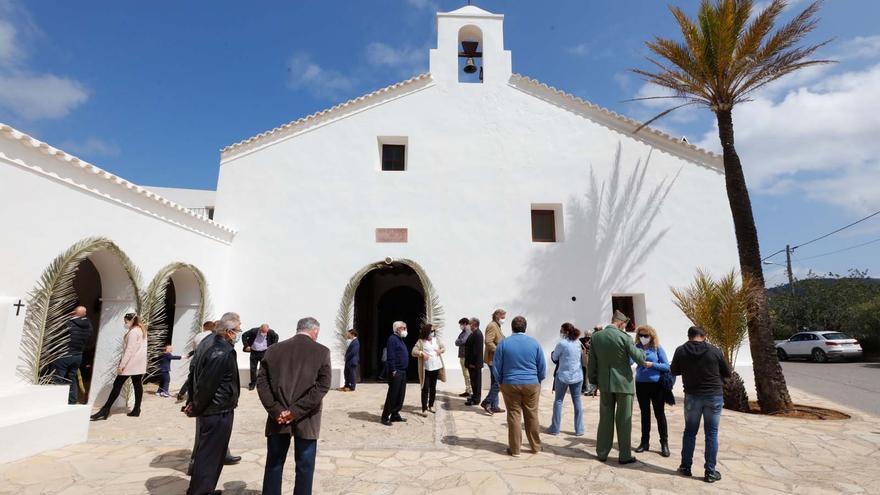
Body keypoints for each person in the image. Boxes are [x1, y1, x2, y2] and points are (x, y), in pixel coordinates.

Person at [258, 317, 331, 495]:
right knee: (305, 466)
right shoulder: (321, 351)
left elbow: (262, 383)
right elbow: (323, 386)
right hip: (307, 417)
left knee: (274, 463)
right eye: (317, 333)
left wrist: (277, 410)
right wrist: (295, 411)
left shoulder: (273, 349)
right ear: (314, 331)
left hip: (278, 417)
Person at [184, 312, 242, 495]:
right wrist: (196, 406)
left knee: (210, 453)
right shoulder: (221, 351)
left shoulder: (210, 343)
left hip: (214, 408)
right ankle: (201, 492)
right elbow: (208, 384)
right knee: (210, 454)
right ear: (228, 331)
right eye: (238, 329)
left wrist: (193, 402)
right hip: (217, 410)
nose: (240, 333)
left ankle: (202, 488)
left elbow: (195, 372)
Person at [587, 310, 650, 464]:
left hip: (605, 384)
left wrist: (594, 381)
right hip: (623, 384)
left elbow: (592, 362)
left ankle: (602, 452)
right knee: (624, 420)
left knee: (605, 419)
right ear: (621, 323)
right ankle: (624, 455)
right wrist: (644, 347)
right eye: (624, 324)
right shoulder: (624, 337)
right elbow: (640, 359)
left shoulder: (596, 337)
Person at [671, 325, 731, 483]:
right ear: (704, 336)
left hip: (692, 396)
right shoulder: (714, 351)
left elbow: (674, 370)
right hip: (714, 396)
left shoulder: (680, 350)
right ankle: (710, 472)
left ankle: (685, 466)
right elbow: (727, 373)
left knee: (690, 432)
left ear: (689, 336)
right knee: (711, 434)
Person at [493, 315, 546, 457]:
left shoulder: (504, 343)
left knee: (514, 415)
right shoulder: (534, 343)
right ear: (525, 327)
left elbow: (496, 365)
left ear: (512, 327)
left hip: (510, 383)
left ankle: (515, 449)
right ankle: (535, 446)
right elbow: (542, 365)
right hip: (531, 383)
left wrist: (500, 381)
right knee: (532, 414)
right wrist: (538, 379)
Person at [90, 313, 147, 420]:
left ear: (131, 321)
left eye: (126, 321)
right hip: (138, 364)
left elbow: (129, 350)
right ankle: (137, 409)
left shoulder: (134, 332)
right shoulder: (141, 331)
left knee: (117, 385)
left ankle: (105, 410)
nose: (125, 324)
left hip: (130, 364)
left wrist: (122, 365)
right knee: (137, 385)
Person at [633, 325, 671, 457]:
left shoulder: (657, 348)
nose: (643, 338)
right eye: (641, 335)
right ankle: (644, 442)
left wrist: (652, 364)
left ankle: (664, 444)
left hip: (656, 385)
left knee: (659, 414)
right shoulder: (636, 347)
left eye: (646, 335)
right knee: (645, 414)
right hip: (641, 384)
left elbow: (666, 366)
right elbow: (629, 360)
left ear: (651, 336)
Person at [548, 323, 584, 436]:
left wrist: (553, 354)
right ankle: (579, 429)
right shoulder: (578, 343)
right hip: (577, 375)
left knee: (558, 401)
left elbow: (555, 358)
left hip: (563, 375)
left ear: (564, 332)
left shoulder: (562, 344)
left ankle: (555, 428)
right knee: (577, 401)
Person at [52, 306, 92, 404]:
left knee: (58, 378)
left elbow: (57, 338)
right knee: (72, 378)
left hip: (64, 355)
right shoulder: (89, 325)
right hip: (78, 356)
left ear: (73, 313)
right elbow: (90, 341)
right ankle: (72, 401)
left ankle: (57, 401)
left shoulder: (68, 323)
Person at [412, 323, 446, 414]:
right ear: (426, 332)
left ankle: (431, 405)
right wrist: (421, 353)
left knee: (433, 388)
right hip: (426, 369)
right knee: (425, 388)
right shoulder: (421, 341)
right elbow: (413, 351)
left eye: (433, 331)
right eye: (431, 331)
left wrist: (440, 351)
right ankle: (424, 409)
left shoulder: (436, 340)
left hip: (436, 367)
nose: (433, 333)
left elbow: (443, 348)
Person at [178, 321, 216, 401]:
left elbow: (195, 348)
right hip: (206, 360)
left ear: (204, 327)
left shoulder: (198, 335)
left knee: (192, 377)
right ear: (213, 327)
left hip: (196, 359)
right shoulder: (213, 336)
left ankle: (182, 393)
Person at [381, 321, 409, 426]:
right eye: (403, 328)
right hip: (396, 371)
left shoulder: (400, 339)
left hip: (402, 371)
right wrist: (393, 370)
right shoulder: (392, 339)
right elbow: (391, 356)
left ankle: (395, 414)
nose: (405, 330)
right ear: (397, 329)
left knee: (400, 394)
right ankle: (385, 416)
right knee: (392, 395)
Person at [481, 309, 506, 415]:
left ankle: (494, 406)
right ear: (497, 315)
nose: (504, 319)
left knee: (494, 382)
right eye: (503, 316)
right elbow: (488, 341)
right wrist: (499, 351)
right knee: (497, 382)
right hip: (493, 359)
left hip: (495, 359)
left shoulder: (497, 325)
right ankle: (486, 402)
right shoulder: (492, 326)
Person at [243, 323, 279, 391]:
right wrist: (246, 345)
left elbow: (276, 336)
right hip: (254, 352)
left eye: (265, 332)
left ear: (268, 330)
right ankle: (253, 384)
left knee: (263, 369)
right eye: (262, 331)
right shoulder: (254, 331)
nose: (263, 333)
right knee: (253, 369)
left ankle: (262, 384)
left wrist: (273, 346)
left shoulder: (270, 332)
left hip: (264, 352)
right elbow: (244, 335)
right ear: (260, 329)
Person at [463, 317, 484, 407]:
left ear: (474, 324)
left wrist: (472, 363)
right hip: (471, 363)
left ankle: (476, 399)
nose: (469, 325)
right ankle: (474, 396)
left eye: (470, 323)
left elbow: (476, 351)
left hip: (474, 364)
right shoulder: (474, 333)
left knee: (476, 382)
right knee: (473, 381)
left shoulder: (478, 334)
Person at [454, 318, 473, 398]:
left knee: (467, 374)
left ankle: (470, 391)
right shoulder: (463, 332)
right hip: (462, 355)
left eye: (461, 324)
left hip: (465, 356)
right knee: (465, 374)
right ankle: (468, 390)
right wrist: (458, 341)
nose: (460, 326)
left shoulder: (468, 332)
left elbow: (462, 341)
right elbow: (457, 341)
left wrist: (458, 341)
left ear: (465, 324)